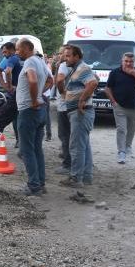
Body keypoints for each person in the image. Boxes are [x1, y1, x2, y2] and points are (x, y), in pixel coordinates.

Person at [15, 38, 53, 196]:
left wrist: (33, 99)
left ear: (26, 48)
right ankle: (40, 183)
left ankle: (33, 186)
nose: (17, 52)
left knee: (26, 150)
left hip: (29, 110)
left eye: (18, 49)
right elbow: (50, 80)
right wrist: (39, 95)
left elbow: (32, 80)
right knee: (37, 149)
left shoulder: (30, 62)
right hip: (39, 110)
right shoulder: (41, 61)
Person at [58, 45, 98, 188]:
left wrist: (81, 100)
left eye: (68, 55)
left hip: (81, 112)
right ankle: (86, 177)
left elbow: (93, 83)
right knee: (84, 146)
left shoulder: (83, 68)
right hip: (79, 112)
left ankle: (76, 178)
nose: (65, 58)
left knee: (76, 147)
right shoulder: (77, 69)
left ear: (77, 56)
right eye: (64, 55)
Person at [105, 52, 135, 164]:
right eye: (126, 61)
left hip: (134, 106)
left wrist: (134, 74)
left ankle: (128, 146)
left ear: (133, 62)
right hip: (119, 105)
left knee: (131, 129)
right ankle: (121, 152)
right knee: (121, 129)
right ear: (122, 61)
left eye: (131, 61)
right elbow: (107, 88)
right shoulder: (115, 72)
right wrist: (113, 102)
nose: (128, 63)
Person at [0, 41, 22, 148]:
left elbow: (8, 71)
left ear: (11, 50)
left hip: (18, 92)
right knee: (14, 117)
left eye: (5, 52)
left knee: (1, 117)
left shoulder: (13, 58)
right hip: (18, 92)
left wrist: (8, 86)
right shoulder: (10, 58)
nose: (4, 54)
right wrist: (4, 84)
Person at [54, 46, 71, 175]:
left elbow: (59, 81)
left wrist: (63, 93)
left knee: (64, 134)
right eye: (59, 53)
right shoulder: (64, 65)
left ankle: (67, 164)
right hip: (66, 105)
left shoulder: (64, 66)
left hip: (65, 106)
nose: (60, 55)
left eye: (62, 53)